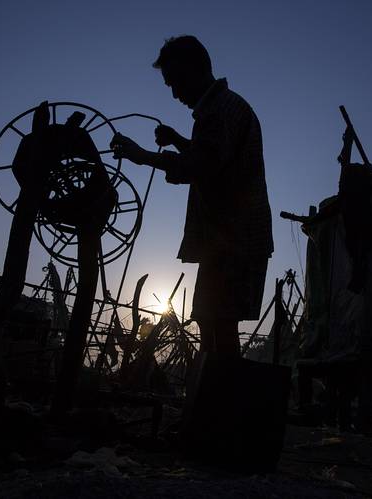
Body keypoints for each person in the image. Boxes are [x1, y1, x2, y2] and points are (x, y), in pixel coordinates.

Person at [110, 35, 273, 357]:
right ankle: (220, 398)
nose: (174, 93)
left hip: (234, 240)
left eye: (176, 82)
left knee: (218, 324)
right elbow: (216, 159)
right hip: (233, 238)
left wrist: (143, 156)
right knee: (215, 321)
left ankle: (221, 400)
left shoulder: (217, 112)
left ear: (197, 69)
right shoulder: (226, 106)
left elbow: (203, 166)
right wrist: (178, 140)